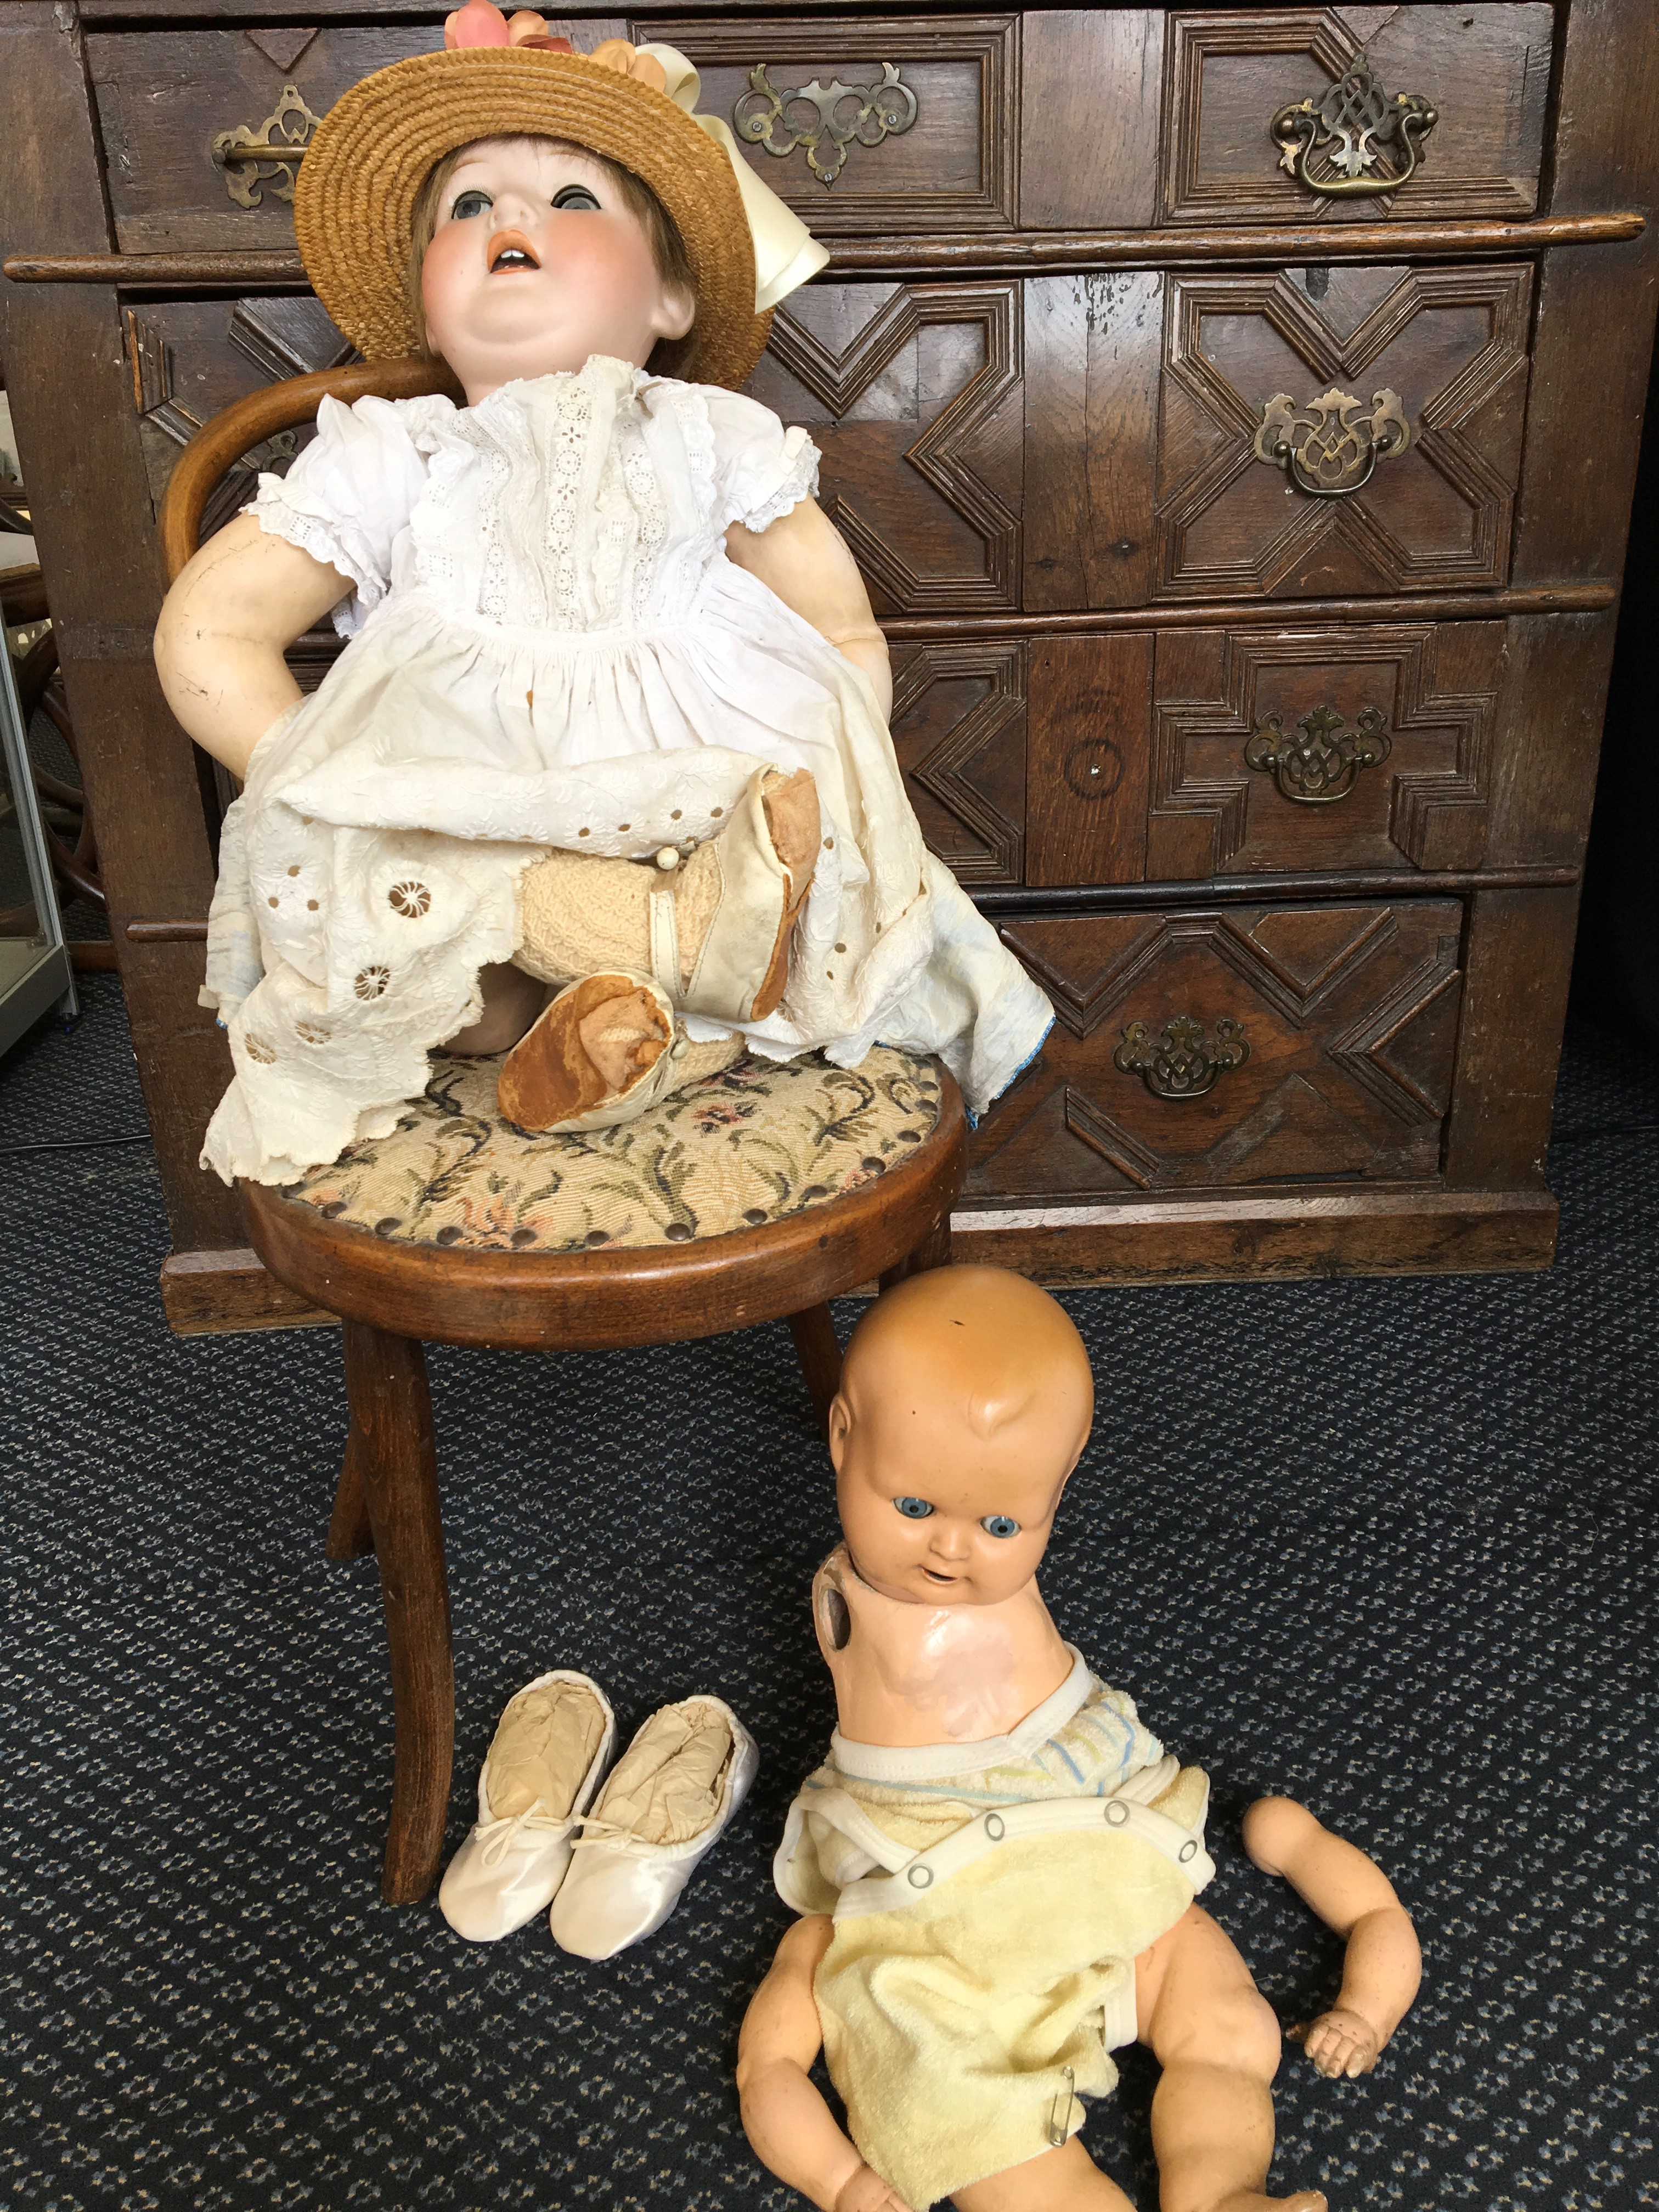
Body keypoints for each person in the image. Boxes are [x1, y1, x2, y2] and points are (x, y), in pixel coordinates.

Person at [154, 10, 1051, 1185]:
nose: (509, 221)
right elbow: (212, 630)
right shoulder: (397, 456)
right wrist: (339, 785)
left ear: (671, 300)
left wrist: (831, 775)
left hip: (683, 813)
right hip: (456, 829)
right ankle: (636, 996)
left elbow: (837, 628)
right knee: (424, 937)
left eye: (573, 201)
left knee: (768, 894)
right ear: (427, 305)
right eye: (467, 206)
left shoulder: (708, 437)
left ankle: (628, 1016)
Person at [737, 1267, 1421, 2212]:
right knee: (964, 2115)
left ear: (1060, 1487)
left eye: (1004, 1522)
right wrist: (840, 2180)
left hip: (1100, 1848)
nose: (951, 1549)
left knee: (1227, 2031)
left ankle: (1223, 2193)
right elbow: (768, 2070)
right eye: (913, 1507)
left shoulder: (988, 1574)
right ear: (843, 1439)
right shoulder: (870, 1590)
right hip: (945, 1912)